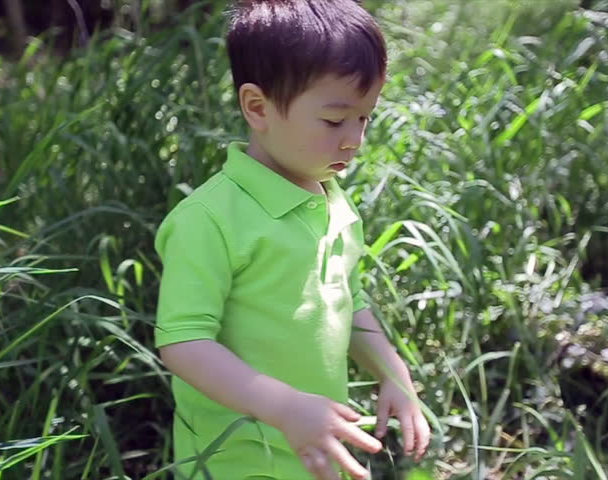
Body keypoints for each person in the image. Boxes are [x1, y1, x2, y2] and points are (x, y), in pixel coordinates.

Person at [154, 0, 431, 478]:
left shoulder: (334, 202)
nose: (354, 140)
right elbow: (184, 341)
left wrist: (392, 372)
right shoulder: (209, 219)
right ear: (257, 107)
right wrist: (284, 407)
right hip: (236, 461)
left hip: (317, 451)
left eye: (364, 118)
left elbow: (350, 299)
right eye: (334, 121)